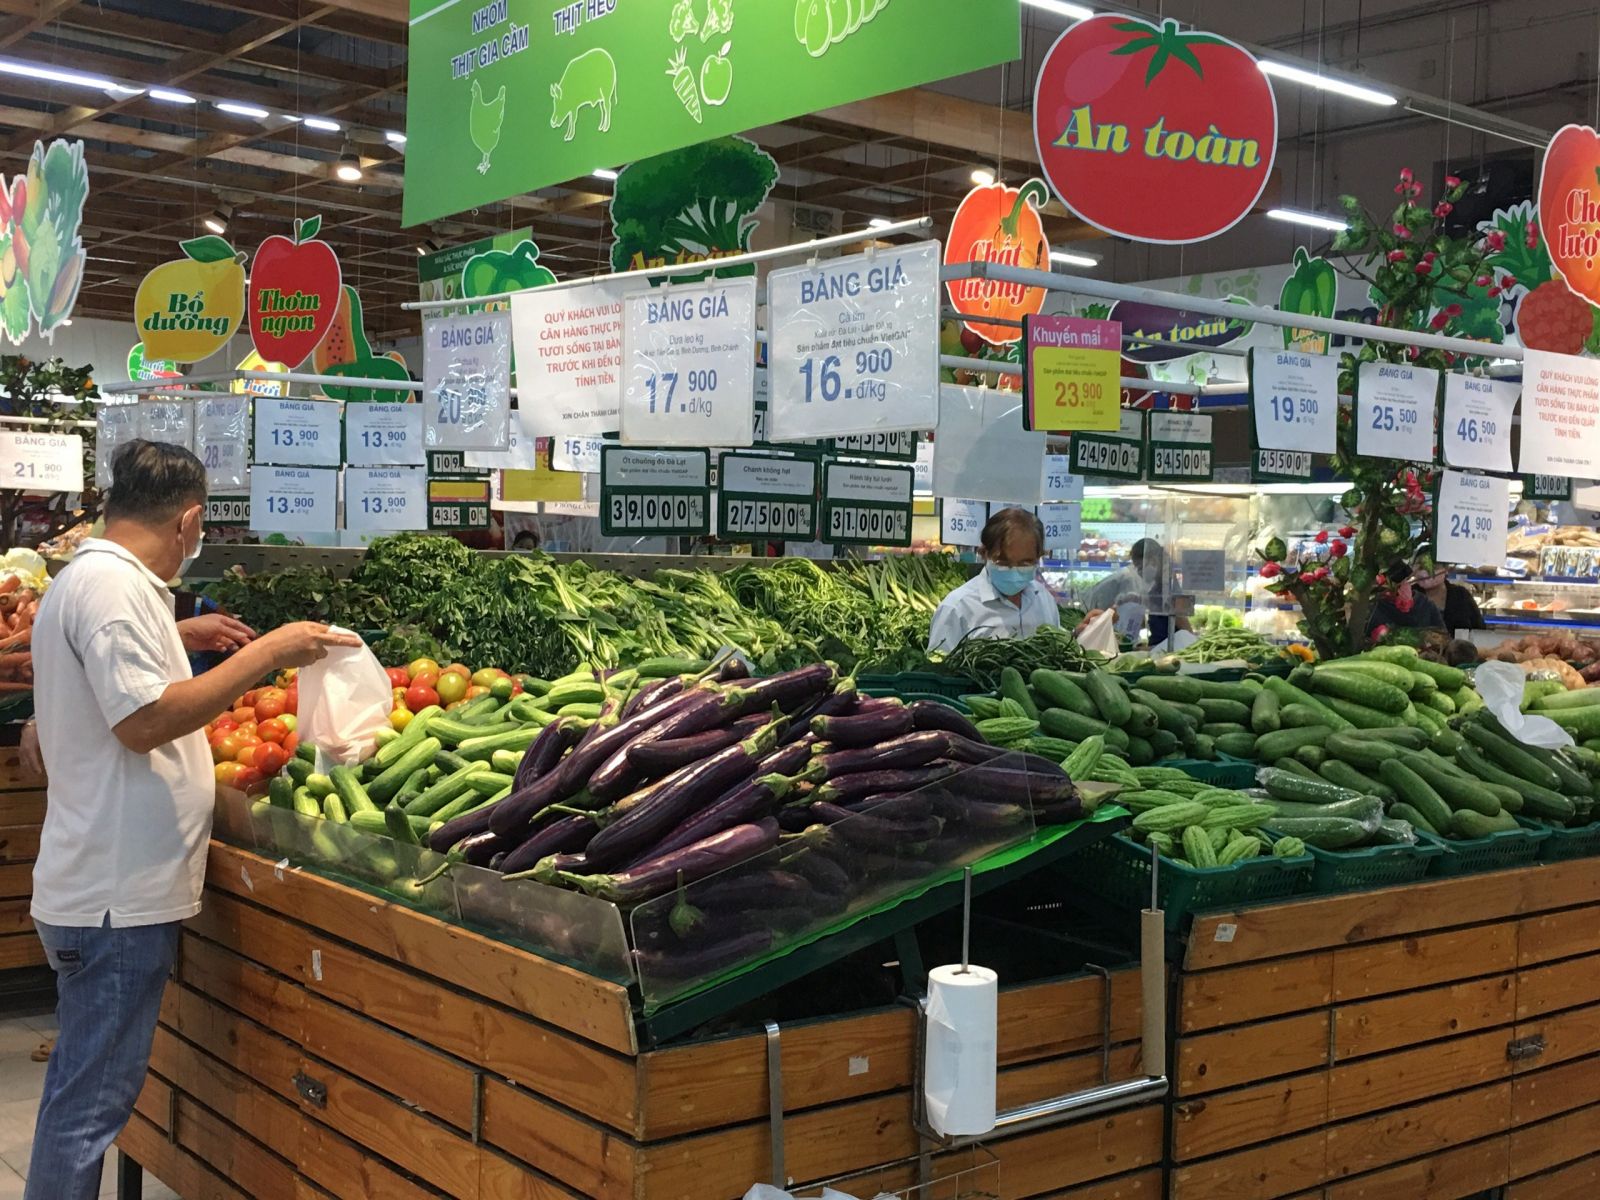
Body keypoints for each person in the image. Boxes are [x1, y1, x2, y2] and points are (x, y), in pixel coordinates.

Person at [22, 440, 361, 1200]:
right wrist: (272, 652)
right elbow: (144, 721)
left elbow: (101, 668)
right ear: (189, 520)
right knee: (87, 1109)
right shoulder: (113, 589)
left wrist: (184, 637)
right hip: (114, 900)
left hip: (100, 884)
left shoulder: (92, 578)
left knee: (81, 1095)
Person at [928, 507, 1060, 652]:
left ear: (1038, 557)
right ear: (984, 554)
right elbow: (938, 663)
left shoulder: (1044, 600)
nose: (1013, 570)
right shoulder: (957, 608)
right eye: (1003, 562)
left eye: (1025, 563)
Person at [1089, 537, 1179, 644]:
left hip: (1167, 647)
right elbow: (1157, 608)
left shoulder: (1169, 585)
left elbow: (1182, 624)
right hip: (1158, 646)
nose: (1139, 572)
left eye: (1140, 567)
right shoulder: (1158, 585)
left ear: (1153, 560)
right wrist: (1135, 600)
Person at [1413, 561, 1485, 632]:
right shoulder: (1409, 594)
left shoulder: (1461, 595)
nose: (1425, 572)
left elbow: (1479, 630)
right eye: (1420, 567)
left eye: (1434, 567)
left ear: (1446, 570)